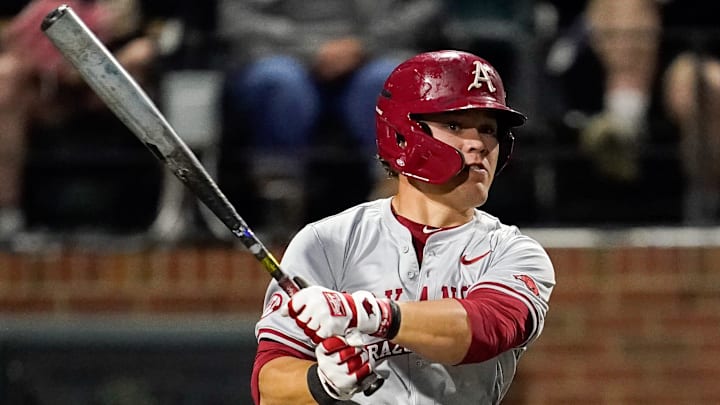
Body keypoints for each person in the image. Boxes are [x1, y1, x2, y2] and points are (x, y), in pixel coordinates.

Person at [251, 50, 556, 404]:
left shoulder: (515, 252)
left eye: (488, 129)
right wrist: (323, 382)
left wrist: (370, 313)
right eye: (455, 125)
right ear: (402, 134)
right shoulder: (327, 242)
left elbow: (483, 329)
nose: (479, 144)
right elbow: (269, 389)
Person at [215, 0, 446, 238]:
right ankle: (279, 201)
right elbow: (237, 17)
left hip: (377, 50)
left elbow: (423, 9)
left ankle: (394, 203)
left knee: (389, 80)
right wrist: (311, 49)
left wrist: (363, 45)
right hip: (283, 53)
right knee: (279, 82)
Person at [0, 0, 157, 236]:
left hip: (106, 86)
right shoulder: (49, 5)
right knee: (6, 78)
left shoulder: (121, 9)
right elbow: (14, 42)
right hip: (49, 89)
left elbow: (148, 39)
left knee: (141, 55)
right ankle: (7, 214)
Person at [580, 0, 720, 222]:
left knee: (704, 85)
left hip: (699, 49)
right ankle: (623, 129)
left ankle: (708, 210)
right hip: (600, 49)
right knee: (627, 6)